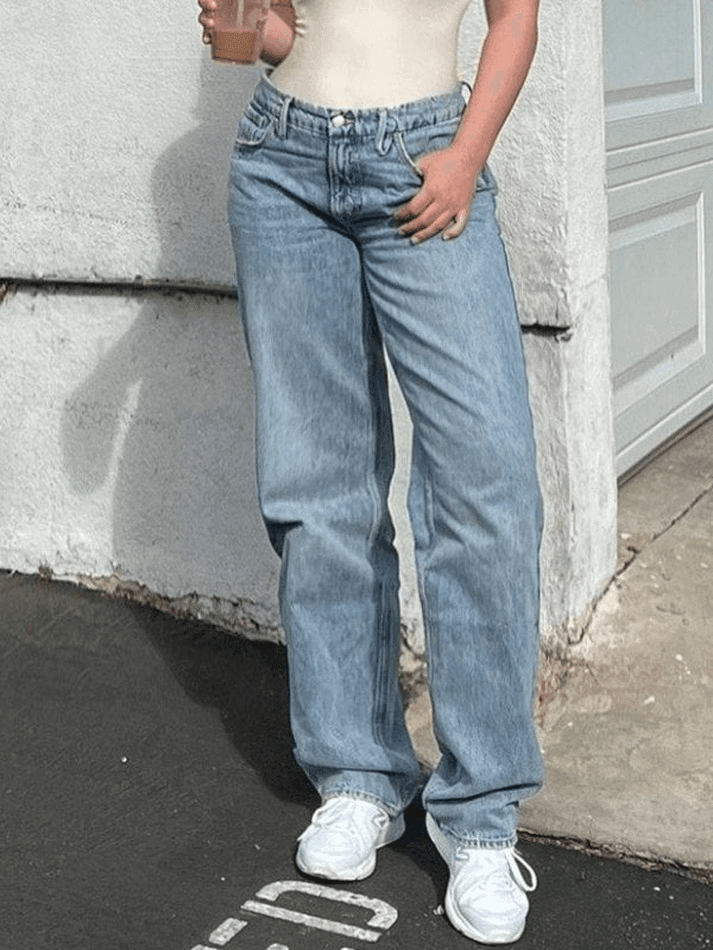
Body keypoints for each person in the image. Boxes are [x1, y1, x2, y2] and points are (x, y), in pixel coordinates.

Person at [197, 0, 544, 944]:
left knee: (486, 488)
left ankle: (478, 816)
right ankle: (358, 774)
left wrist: (466, 155)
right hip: (280, 162)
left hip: (426, 153)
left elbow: (515, 19)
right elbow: (285, 31)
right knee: (319, 490)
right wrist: (247, 32)